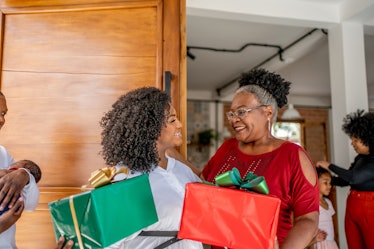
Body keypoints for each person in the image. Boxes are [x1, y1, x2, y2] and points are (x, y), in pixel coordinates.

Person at [201, 68, 319, 249]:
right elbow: (202, 185)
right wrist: (171, 154)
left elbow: (308, 219)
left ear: (268, 112)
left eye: (241, 112)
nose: (233, 120)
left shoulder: (293, 156)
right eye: (231, 114)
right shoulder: (227, 148)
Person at [99, 87, 203, 249]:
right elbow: (108, 244)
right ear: (150, 127)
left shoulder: (182, 171)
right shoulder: (125, 179)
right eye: (172, 120)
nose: (180, 125)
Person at [316, 109, 374, 249]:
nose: (352, 143)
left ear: (368, 139)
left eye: (356, 140)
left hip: (369, 207)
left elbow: (354, 178)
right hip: (353, 204)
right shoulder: (360, 158)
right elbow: (346, 180)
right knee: (353, 244)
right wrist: (325, 180)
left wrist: (329, 165)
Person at [0, 92, 40, 249]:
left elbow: (30, 204)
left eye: (3, 113)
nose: (2, 120)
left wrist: (24, 175)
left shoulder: (2, 154)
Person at [308, 167, 339, 249]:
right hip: (319, 244)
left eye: (330, 183)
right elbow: (309, 228)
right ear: (315, 182)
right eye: (325, 182)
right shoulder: (312, 203)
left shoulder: (328, 202)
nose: (329, 186)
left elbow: (333, 226)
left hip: (331, 243)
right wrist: (313, 242)